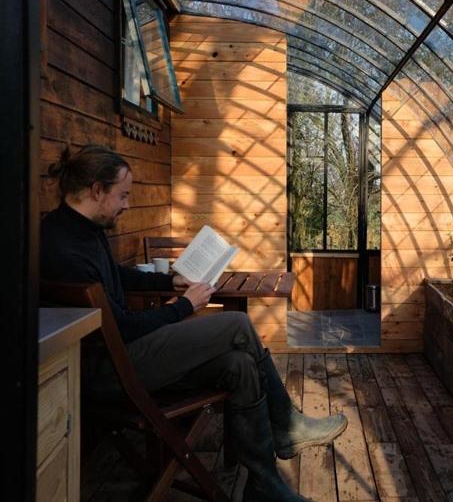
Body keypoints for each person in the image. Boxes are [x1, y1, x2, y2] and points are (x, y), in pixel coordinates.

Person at [40, 144, 347, 502]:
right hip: (112, 370)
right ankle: (287, 425)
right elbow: (122, 327)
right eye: (123, 195)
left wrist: (168, 281)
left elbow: (116, 277)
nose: (127, 204)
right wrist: (184, 306)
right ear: (96, 190)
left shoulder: (80, 229)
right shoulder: (64, 249)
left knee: (240, 364)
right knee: (236, 325)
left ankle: (264, 486)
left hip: (122, 353)